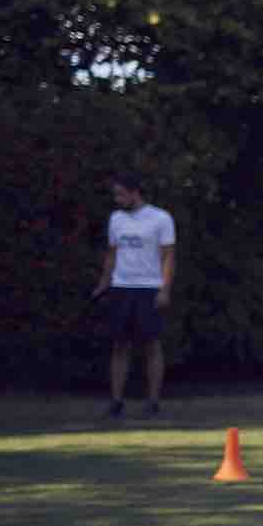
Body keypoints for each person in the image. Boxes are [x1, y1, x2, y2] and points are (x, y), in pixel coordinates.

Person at [92, 171, 177, 418]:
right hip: (121, 287)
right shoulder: (116, 219)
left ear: (134, 192)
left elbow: (168, 256)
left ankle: (153, 402)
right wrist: (103, 283)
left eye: (120, 194)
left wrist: (165, 288)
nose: (117, 199)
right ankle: (117, 401)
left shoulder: (161, 218)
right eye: (115, 194)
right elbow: (112, 254)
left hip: (149, 288)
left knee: (151, 344)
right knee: (120, 344)